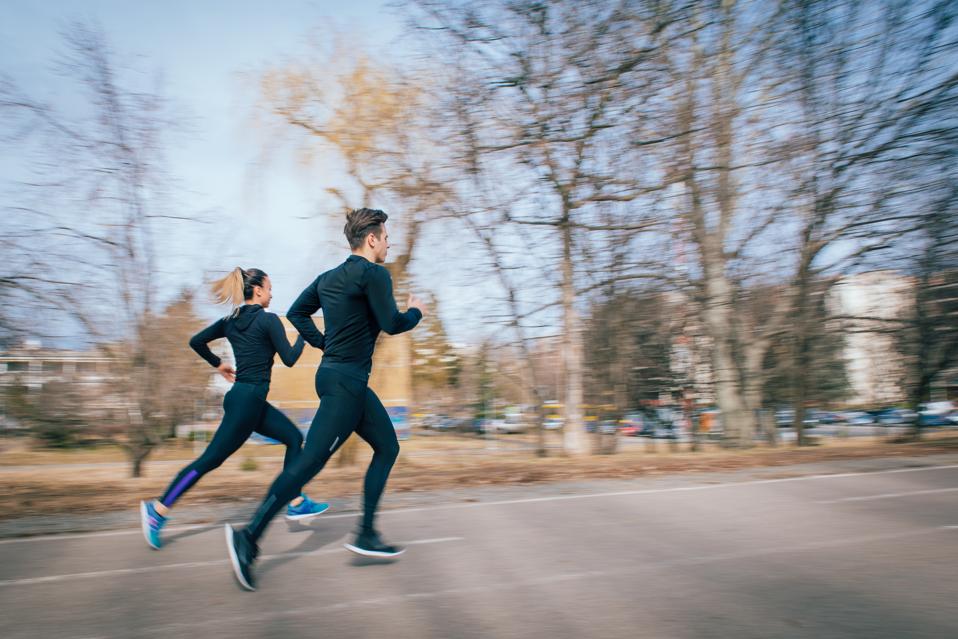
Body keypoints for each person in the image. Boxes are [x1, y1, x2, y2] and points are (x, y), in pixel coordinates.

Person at [226, 208, 425, 591]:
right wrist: (416, 311)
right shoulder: (375, 274)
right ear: (370, 240)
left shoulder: (328, 278)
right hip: (345, 385)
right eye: (385, 237)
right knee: (308, 463)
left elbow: (298, 313)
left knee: (388, 446)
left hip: (339, 380)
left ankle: (366, 532)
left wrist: (322, 344)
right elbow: (392, 323)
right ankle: (249, 536)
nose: (389, 243)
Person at [140, 267, 329, 550]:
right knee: (209, 461)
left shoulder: (231, 320)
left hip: (246, 400)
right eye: (269, 287)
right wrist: (303, 334)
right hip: (247, 402)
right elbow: (290, 359)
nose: (272, 293)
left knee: (293, 437)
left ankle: (297, 501)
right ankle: (157, 511)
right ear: (258, 290)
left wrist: (217, 363)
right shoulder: (269, 321)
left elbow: (196, 341)